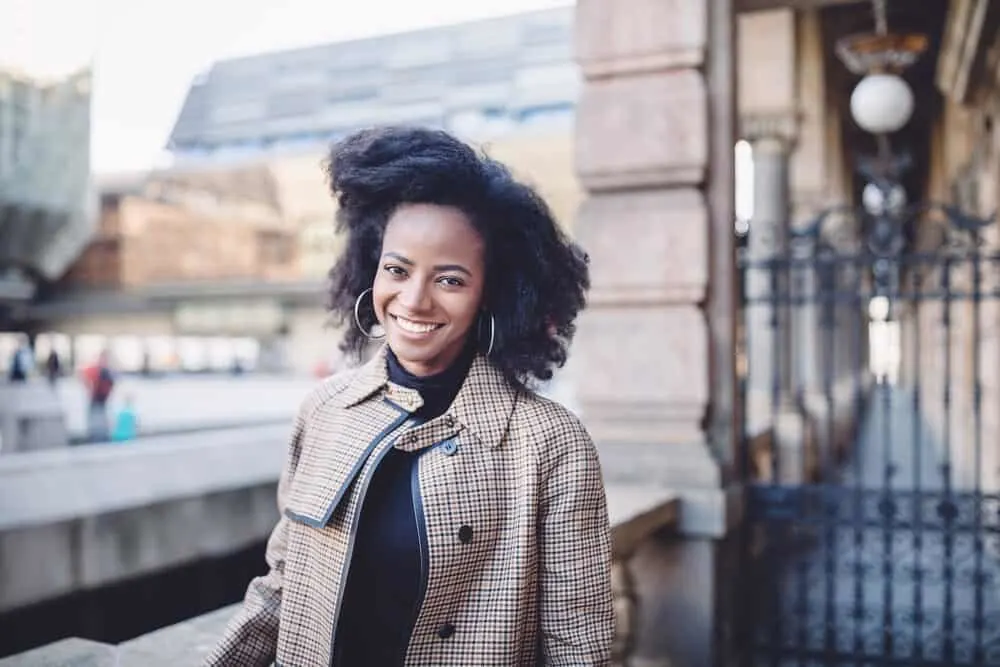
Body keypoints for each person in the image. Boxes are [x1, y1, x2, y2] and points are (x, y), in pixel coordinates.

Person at [205, 126, 612, 667]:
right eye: (397, 270)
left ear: (493, 293)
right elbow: (283, 586)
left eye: (449, 280)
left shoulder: (550, 446)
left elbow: (579, 649)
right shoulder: (324, 411)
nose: (414, 300)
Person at [86, 351, 115, 441]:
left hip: (99, 398)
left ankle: (98, 436)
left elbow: (110, 384)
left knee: (98, 417)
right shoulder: (102, 370)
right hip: (98, 398)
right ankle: (98, 436)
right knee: (97, 417)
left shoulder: (103, 371)